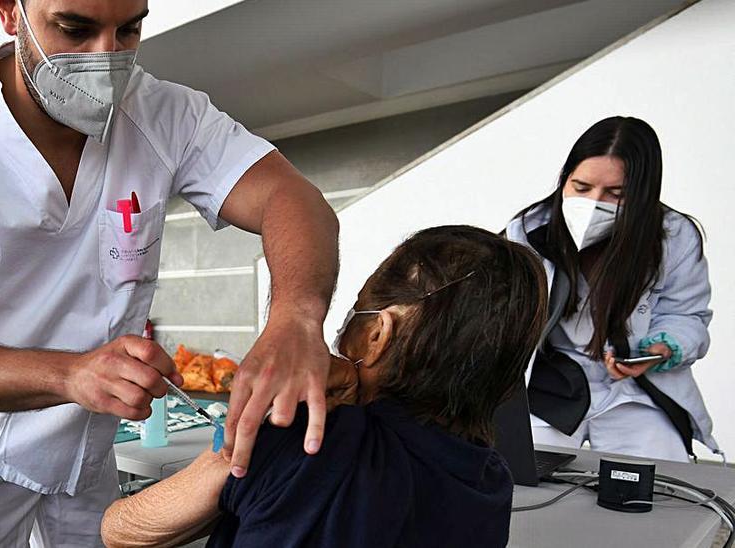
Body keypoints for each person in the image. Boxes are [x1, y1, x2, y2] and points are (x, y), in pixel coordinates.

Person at [0, 1, 340, 543]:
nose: (107, 58)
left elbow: (291, 198)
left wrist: (296, 318)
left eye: (129, 29)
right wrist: (72, 374)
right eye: (74, 28)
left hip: (87, 447)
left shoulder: (164, 114)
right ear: (11, 12)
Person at [101, 226, 548, 547]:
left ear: (376, 335)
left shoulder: (310, 441)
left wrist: (236, 444)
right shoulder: (491, 484)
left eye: (357, 309)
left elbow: (122, 530)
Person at [505, 116, 718, 462]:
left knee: (661, 483)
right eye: (581, 187)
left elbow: (688, 316)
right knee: (521, 476)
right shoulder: (527, 232)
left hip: (634, 390)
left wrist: (660, 349)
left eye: (615, 194)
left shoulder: (675, 236)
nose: (593, 203)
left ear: (644, 194)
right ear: (564, 180)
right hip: (551, 387)